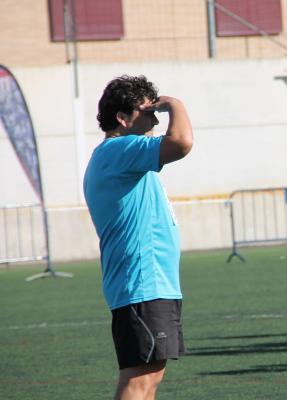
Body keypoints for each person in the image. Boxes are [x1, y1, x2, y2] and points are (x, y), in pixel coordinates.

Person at [83, 75, 193, 400]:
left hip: (150, 284)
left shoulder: (121, 156)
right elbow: (182, 142)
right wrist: (175, 104)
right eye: (148, 112)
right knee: (139, 381)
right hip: (142, 284)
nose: (156, 119)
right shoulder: (119, 149)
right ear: (122, 118)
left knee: (149, 379)